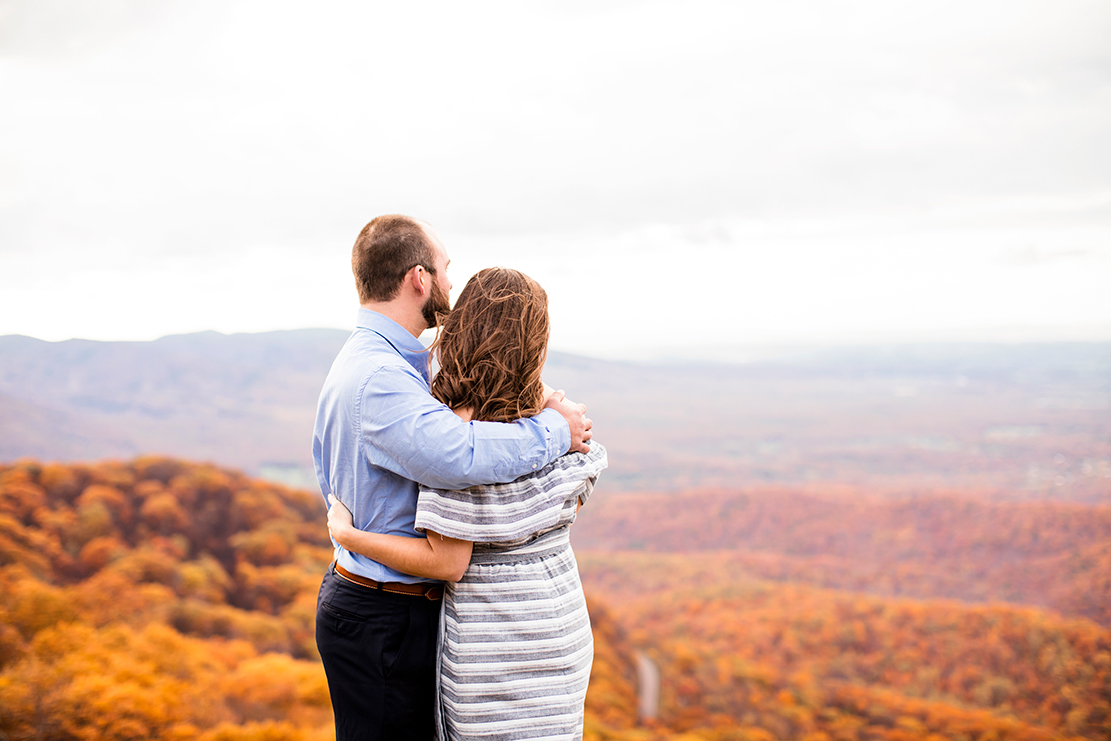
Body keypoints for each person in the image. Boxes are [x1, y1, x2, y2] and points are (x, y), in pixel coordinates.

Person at [312, 216, 592, 741]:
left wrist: (543, 398)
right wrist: (558, 429)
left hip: (396, 608)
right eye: (445, 268)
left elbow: (486, 385)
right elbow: (460, 456)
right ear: (419, 278)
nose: (450, 283)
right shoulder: (382, 378)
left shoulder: (394, 361)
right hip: (383, 612)